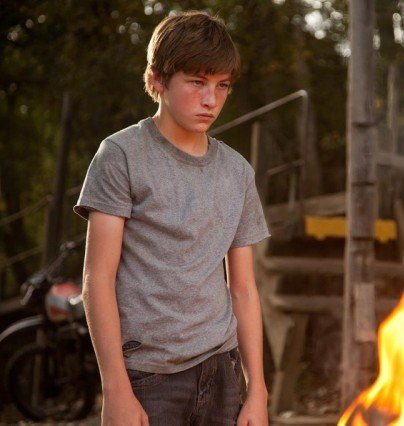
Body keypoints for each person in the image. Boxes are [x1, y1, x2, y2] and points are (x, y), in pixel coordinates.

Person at [74, 11, 270, 426]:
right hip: (148, 378)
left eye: (222, 85)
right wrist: (116, 389)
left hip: (223, 372)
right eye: (197, 82)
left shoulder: (237, 172)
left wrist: (258, 390)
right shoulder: (121, 156)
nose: (211, 99)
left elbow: (244, 289)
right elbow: (98, 279)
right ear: (157, 79)